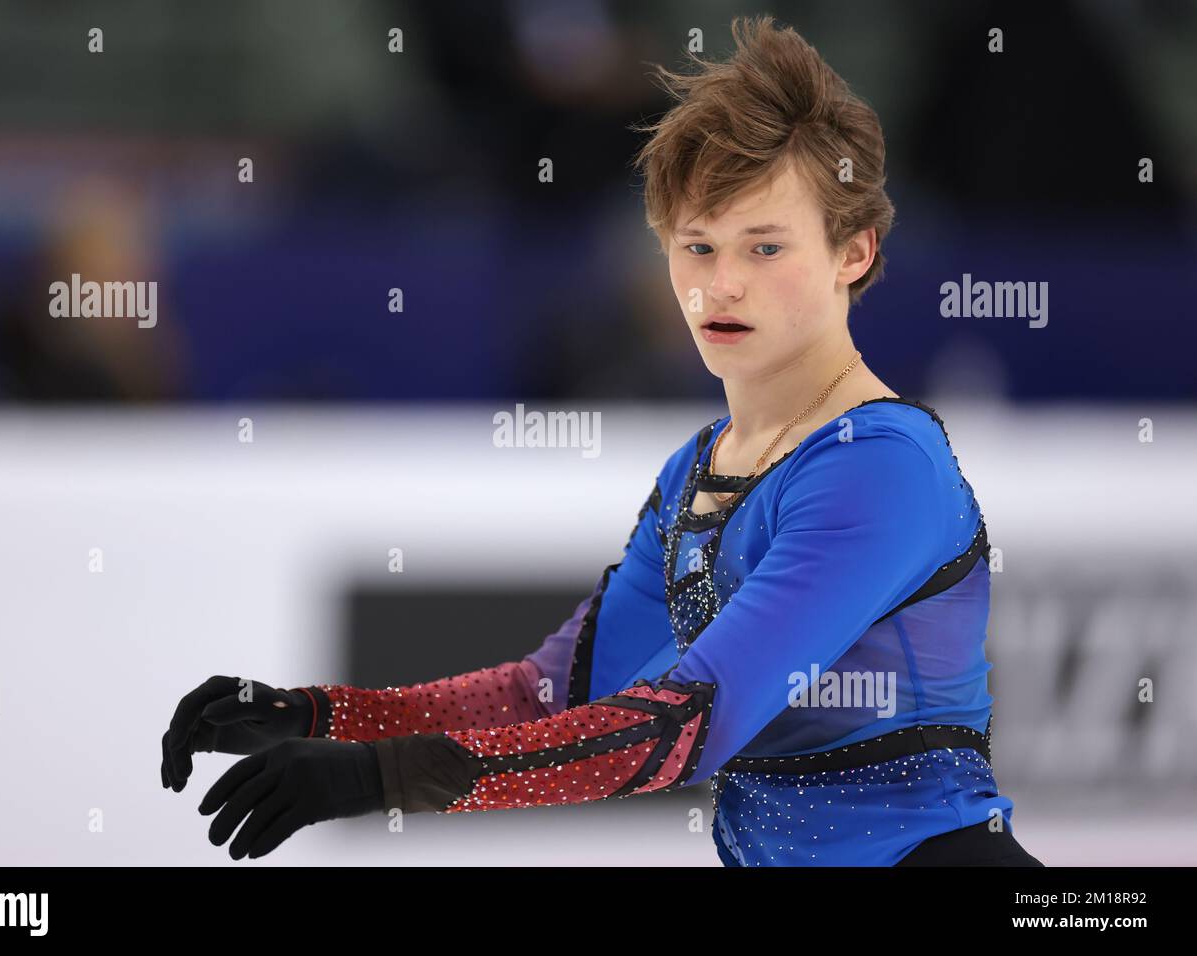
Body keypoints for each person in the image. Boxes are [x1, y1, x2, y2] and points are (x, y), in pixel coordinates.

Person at [161, 14, 1040, 866]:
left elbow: (683, 726)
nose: (722, 285)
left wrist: (378, 776)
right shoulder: (701, 469)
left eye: (765, 248)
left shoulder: (879, 467)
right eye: (697, 248)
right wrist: (319, 718)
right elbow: (551, 694)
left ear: (854, 253)